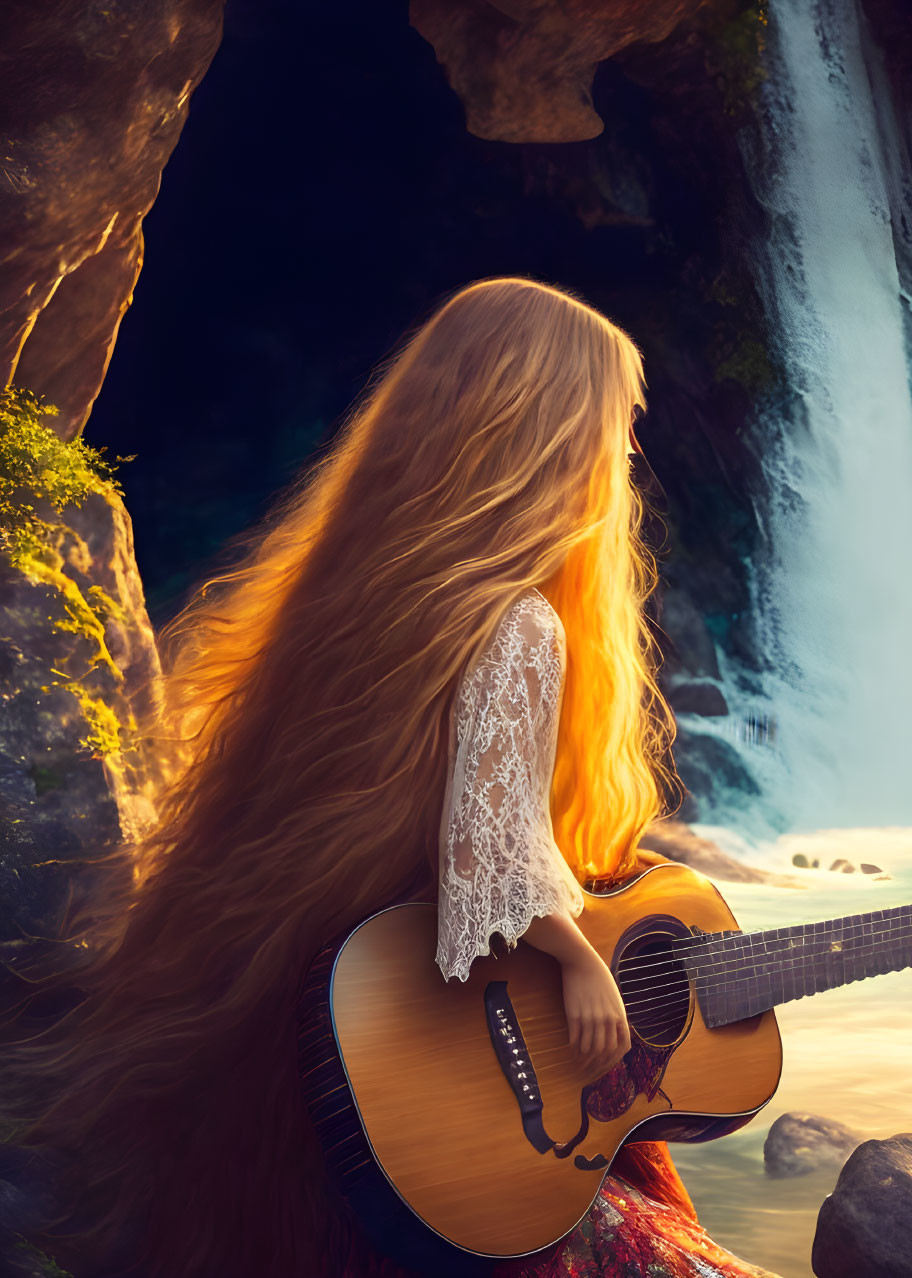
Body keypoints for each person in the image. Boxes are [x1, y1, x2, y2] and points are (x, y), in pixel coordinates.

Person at [0, 277, 774, 1278]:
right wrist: (583, 964)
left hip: (321, 1064)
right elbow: (491, 862)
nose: (628, 454)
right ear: (549, 430)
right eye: (619, 422)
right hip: (440, 1090)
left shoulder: (363, 600)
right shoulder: (520, 623)